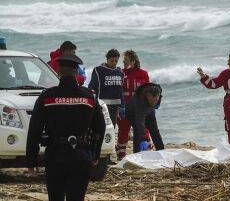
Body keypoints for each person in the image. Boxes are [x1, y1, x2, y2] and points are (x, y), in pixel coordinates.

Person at [26, 54, 106, 201]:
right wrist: (95, 154)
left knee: (55, 197)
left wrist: (32, 160)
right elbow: (100, 128)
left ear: (58, 71)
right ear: (77, 72)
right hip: (81, 155)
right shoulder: (89, 97)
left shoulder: (47, 96)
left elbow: (34, 130)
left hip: (55, 154)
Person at [115, 50, 152, 159]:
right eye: (123, 61)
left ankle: (147, 153)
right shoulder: (120, 73)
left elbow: (148, 92)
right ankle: (121, 156)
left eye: (125, 61)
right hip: (124, 109)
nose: (123, 63)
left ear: (133, 61)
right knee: (123, 131)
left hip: (139, 109)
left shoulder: (143, 74)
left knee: (143, 130)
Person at [88, 49, 125, 127]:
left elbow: (120, 90)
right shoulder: (98, 70)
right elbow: (92, 87)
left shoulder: (120, 72)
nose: (114, 63)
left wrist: (122, 106)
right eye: (112, 61)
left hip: (115, 107)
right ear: (107, 59)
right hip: (102, 105)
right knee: (101, 127)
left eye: (116, 61)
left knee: (112, 127)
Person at [126, 83, 164, 153]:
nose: (154, 102)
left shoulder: (158, 92)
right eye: (152, 100)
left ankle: (161, 151)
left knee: (155, 131)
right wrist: (143, 139)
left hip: (149, 111)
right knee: (138, 132)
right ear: (147, 95)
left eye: (156, 100)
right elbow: (140, 122)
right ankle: (136, 153)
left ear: (159, 95)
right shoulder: (139, 101)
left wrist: (156, 105)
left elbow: (155, 103)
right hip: (132, 113)